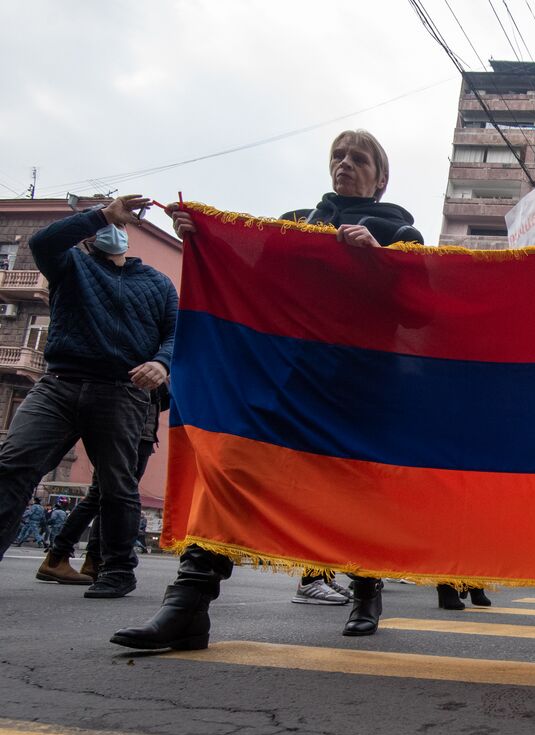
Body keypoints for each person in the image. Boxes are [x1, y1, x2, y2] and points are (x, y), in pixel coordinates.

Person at [111, 130, 423, 652]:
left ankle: (367, 594)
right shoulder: (294, 223)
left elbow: (418, 309)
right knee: (234, 472)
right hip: (290, 379)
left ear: (381, 177)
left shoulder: (401, 231)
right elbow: (251, 282)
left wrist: (382, 261)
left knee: (359, 491)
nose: (345, 164)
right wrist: (205, 242)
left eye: (359, 158)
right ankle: (188, 605)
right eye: (338, 156)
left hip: (363, 386)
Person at [0, 194, 174, 599]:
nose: (111, 230)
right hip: (59, 385)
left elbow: (175, 335)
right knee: (14, 464)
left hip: (121, 391)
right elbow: (42, 243)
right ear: (89, 235)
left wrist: (162, 364)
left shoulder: (158, 283)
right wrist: (100, 214)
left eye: (117, 224)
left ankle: (116, 569)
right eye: (102, 225)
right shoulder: (69, 264)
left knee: (117, 486)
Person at [38, 386, 166, 585]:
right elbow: (159, 396)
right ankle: (59, 555)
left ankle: (90, 560)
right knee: (103, 496)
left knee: (105, 497)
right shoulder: (146, 361)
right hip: (131, 429)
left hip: (134, 429)